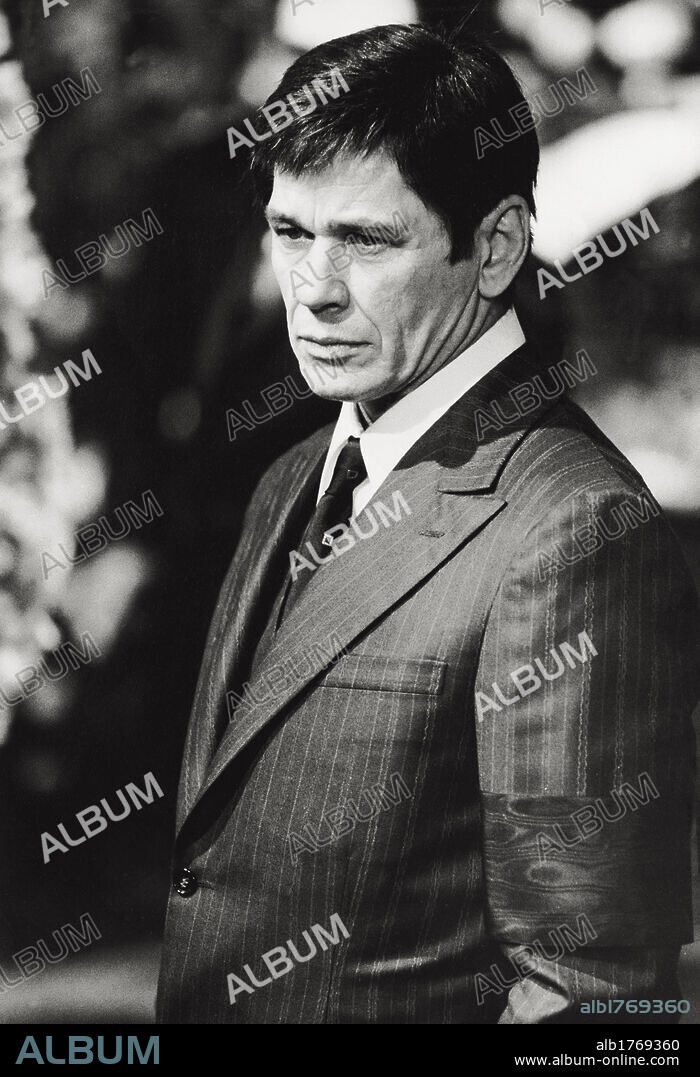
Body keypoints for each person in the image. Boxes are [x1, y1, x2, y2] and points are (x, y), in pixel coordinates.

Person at [156, 24, 698, 1024]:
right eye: (290, 233)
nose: (313, 291)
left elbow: (590, 992)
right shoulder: (290, 477)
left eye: (365, 239)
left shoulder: (576, 530)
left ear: (493, 246)